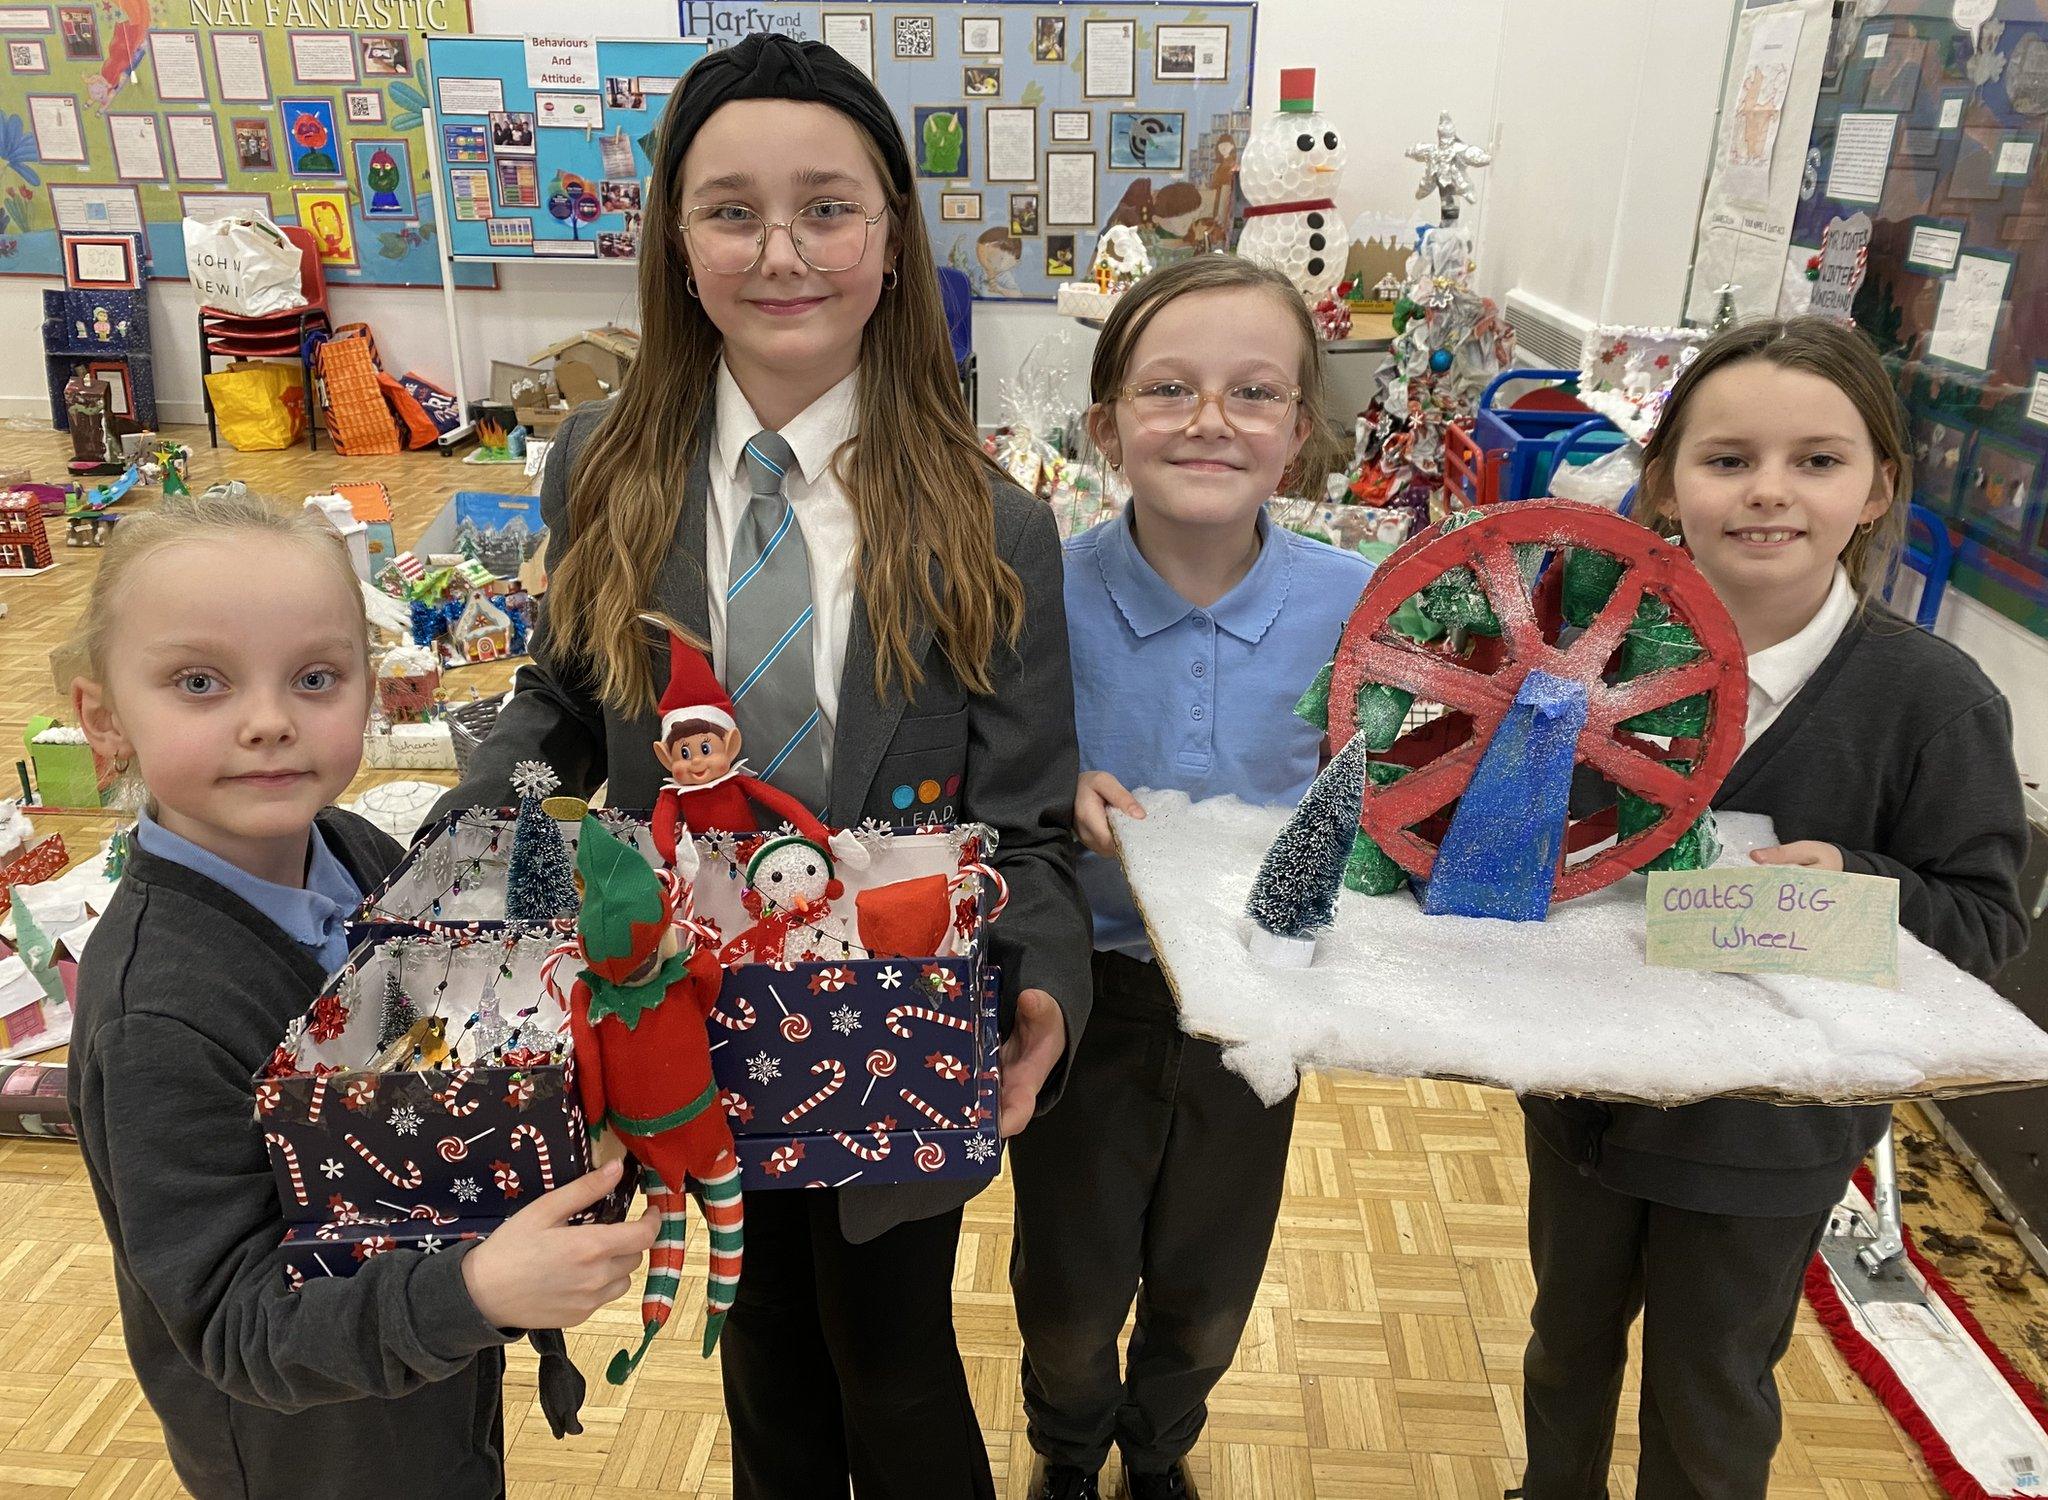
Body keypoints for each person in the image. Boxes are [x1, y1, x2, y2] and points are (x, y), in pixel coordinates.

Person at [433, 34, 1091, 1500]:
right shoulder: (604, 466)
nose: (780, 250)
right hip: (680, 1027)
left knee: (898, 1362)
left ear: (892, 239)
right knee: (761, 1358)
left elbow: (1028, 821)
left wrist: (1045, 985)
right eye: (732, 210)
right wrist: (472, 837)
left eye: (828, 208)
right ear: (676, 241)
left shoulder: (989, 526)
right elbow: (562, 703)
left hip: (891, 1030)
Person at [1515, 317, 2030, 1500]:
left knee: (1709, 1392)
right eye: (1726, 458)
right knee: (1564, 1352)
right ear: (1662, 482)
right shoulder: (1587, 660)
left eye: (1815, 461)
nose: (1766, 493)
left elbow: (1985, 921)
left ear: (1874, 488)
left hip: (1767, 1135)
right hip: (1582, 1091)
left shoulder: (1930, 704)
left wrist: (1859, 888)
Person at [63, 494, 660, 1500]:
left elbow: (434, 1074)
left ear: (371, 691)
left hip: (429, 1373)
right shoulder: (153, 1020)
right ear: (104, 722)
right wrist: (473, 1292)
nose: (267, 722)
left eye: (315, 678)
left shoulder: (361, 856)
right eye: (199, 682)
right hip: (313, 1455)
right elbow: (235, 1324)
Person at [1011, 256, 1367, 1500]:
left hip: (1257, 1008)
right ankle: (1065, 1449)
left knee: (1209, 1288)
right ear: (1105, 426)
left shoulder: (1358, 607)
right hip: (1081, 1000)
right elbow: (980, 768)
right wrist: (1054, 789)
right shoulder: (1031, 595)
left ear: (1297, 435)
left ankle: (1158, 1452)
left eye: (1253, 392)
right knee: (1063, 1291)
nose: (1210, 420)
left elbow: (1409, 788)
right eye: (1168, 388)